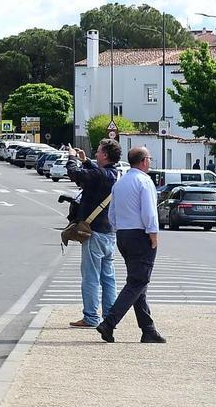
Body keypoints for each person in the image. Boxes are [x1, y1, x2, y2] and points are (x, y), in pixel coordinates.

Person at [98, 146, 166, 344]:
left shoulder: (120, 183)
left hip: (123, 235)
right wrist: (153, 234)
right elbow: (149, 212)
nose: (150, 162)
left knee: (137, 283)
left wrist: (120, 229)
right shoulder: (144, 181)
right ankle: (109, 322)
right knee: (138, 281)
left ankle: (148, 329)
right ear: (144, 160)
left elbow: (112, 214)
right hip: (140, 236)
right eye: (150, 158)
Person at [65, 139, 119, 329]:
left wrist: (72, 158)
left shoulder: (99, 174)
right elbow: (95, 175)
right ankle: (111, 317)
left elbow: (75, 174)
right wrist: (86, 160)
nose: (96, 154)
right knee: (108, 277)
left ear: (105, 155)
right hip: (109, 231)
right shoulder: (114, 173)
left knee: (90, 276)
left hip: (94, 231)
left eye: (98, 151)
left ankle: (90, 317)